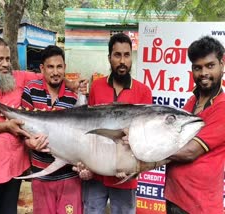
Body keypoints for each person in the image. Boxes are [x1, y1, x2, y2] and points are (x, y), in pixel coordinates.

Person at [0, 37, 87, 214]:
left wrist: (71, 84)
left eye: (8, 59)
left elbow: (48, 75)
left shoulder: (17, 78)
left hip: (14, 171)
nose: (5, 64)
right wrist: (5, 127)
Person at [76, 33, 152, 214]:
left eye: (126, 55)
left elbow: (145, 136)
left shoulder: (143, 92)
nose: (122, 61)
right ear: (109, 57)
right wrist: (86, 163)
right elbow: (90, 129)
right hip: (96, 174)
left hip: (125, 176)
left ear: (131, 58)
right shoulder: (97, 86)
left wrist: (135, 168)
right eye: (117, 55)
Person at [164, 36, 225, 213]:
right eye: (198, 68)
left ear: (222, 64)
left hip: (199, 207)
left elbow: (189, 152)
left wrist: (143, 152)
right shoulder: (192, 102)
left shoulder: (222, 108)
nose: (203, 73)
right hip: (175, 197)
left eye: (210, 65)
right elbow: (173, 139)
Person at [21, 45, 83, 214]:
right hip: (41, 176)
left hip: (69, 177)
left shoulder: (74, 97)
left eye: (59, 66)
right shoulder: (31, 90)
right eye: (50, 67)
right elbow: (21, 130)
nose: (55, 72)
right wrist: (30, 143)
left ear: (64, 67)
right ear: (42, 68)